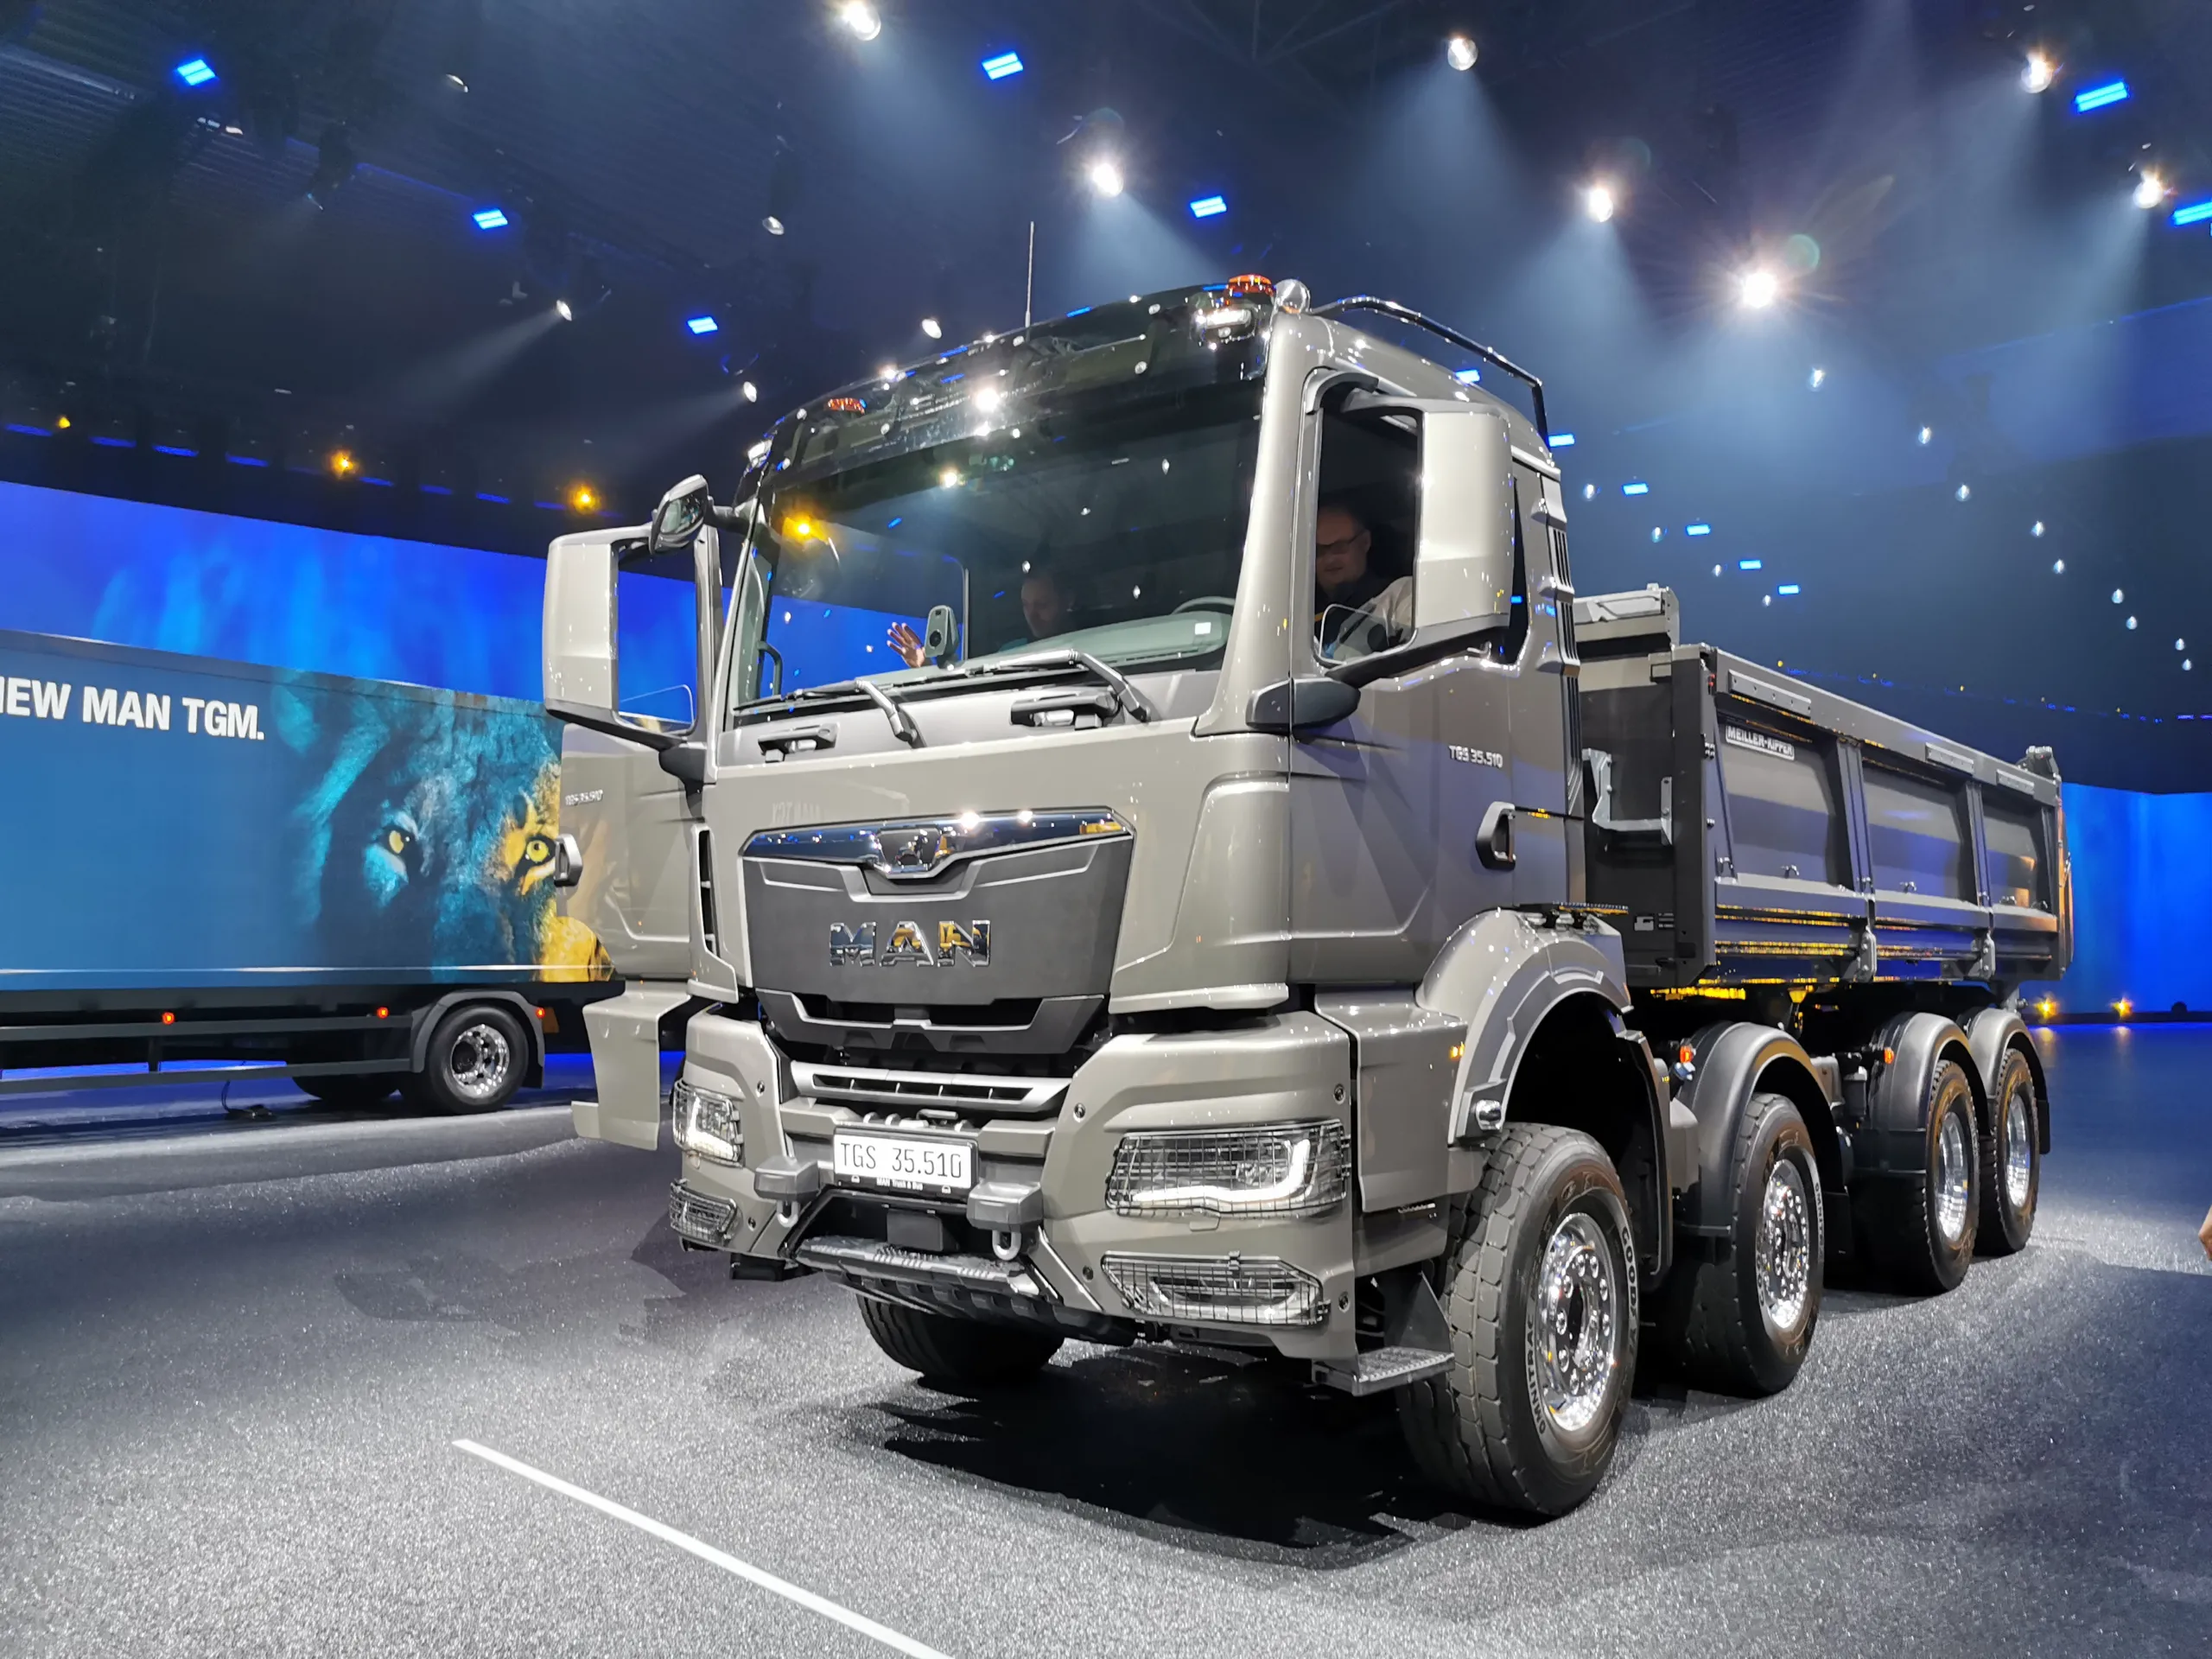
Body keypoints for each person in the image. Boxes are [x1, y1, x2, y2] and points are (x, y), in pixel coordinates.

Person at [887, 567, 1071, 666]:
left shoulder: (1083, 649)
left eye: (1042, 605)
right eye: (1025, 605)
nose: (1031, 615)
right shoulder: (1009, 652)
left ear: (1067, 602)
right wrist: (926, 665)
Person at [1313, 499, 1411, 658]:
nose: (1330, 559)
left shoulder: (1399, 597)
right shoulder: (1300, 620)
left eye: (1340, 547)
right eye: (1320, 551)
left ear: (1365, 542)